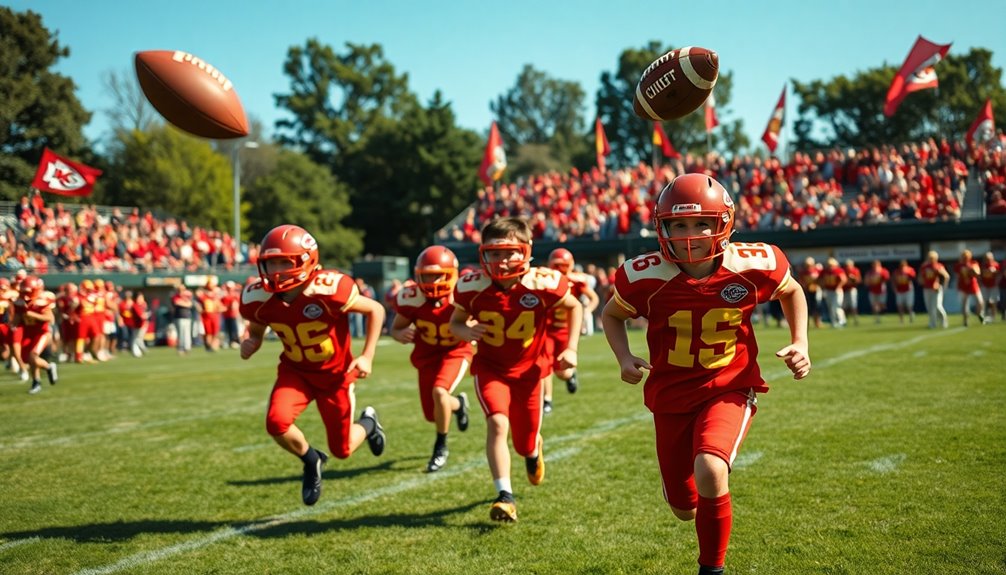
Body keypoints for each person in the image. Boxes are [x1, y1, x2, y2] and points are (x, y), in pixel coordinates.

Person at [599, 174, 811, 575]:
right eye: (678, 225)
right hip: (671, 393)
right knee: (683, 508)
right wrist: (623, 356)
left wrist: (800, 340)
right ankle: (684, 496)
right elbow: (611, 314)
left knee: (711, 468)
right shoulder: (644, 275)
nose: (690, 234)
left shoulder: (753, 263)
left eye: (701, 223)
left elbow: (791, 290)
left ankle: (711, 568)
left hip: (730, 384)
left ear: (724, 223)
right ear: (662, 227)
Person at [239, 224, 387, 506]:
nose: (277, 270)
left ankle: (368, 423)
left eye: (286, 262)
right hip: (296, 372)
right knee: (276, 422)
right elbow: (257, 328)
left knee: (342, 450)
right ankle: (311, 459)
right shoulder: (258, 298)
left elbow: (376, 310)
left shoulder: (329, 289)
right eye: (271, 263)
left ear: (307, 261)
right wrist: (253, 341)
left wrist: (367, 355)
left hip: (335, 376)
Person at [449, 216, 583, 523]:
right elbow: (455, 321)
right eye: (494, 253)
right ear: (484, 254)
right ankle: (505, 496)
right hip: (491, 367)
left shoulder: (542, 283)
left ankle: (533, 451)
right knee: (497, 424)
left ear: (525, 250)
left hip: (529, 372)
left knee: (525, 442)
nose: (501, 260)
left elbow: (573, 306)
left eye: (509, 252)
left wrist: (571, 348)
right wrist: (463, 330)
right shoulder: (472, 287)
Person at [390, 246, 472, 472]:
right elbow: (395, 328)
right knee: (431, 413)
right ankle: (459, 405)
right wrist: (400, 335)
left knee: (439, 392)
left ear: (452, 274)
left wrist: (472, 328)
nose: (432, 281)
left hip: (455, 351)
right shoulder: (412, 298)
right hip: (426, 356)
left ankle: (441, 446)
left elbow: (479, 319)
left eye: (438, 275)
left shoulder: (462, 295)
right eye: (427, 275)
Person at [542, 247, 599, 413]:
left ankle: (570, 374)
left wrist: (587, 311)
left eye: (563, 265)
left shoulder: (576, 281)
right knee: (544, 366)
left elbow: (593, 298)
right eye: (557, 265)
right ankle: (547, 400)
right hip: (546, 329)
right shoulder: (544, 279)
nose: (560, 269)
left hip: (566, 330)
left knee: (562, 373)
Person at [12, 276, 59, 394]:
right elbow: (17, 317)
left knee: (33, 356)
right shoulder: (20, 301)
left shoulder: (42, 300)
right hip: (28, 333)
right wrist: (13, 325)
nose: (26, 294)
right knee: (29, 359)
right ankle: (40, 377)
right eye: (24, 291)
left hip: (42, 333)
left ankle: (42, 376)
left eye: (28, 291)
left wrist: (33, 315)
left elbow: (50, 318)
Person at [918, 251, 950, 329]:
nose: (930, 259)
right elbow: (921, 277)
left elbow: (946, 276)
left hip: (936, 289)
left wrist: (942, 285)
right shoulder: (924, 266)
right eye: (929, 257)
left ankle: (943, 321)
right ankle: (933, 323)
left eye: (932, 258)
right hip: (927, 288)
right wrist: (921, 281)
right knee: (929, 307)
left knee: (937, 306)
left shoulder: (938, 266)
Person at [953, 249, 984, 327]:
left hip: (973, 285)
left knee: (980, 302)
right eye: (963, 256)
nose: (964, 258)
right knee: (964, 304)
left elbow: (978, 273)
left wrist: (972, 270)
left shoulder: (974, 263)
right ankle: (965, 320)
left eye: (966, 257)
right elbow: (957, 276)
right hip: (963, 286)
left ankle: (979, 313)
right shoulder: (958, 265)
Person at [820, 257, 847, 328]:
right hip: (828, 290)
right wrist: (823, 287)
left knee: (836, 306)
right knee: (830, 307)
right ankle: (833, 322)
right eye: (829, 265)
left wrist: (838, 287)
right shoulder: (825, 271)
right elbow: (820, 279)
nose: (830, 266)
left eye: (831, 265)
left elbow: (843, 279)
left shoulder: (838, 270)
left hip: (837, 291)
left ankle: (842, 320)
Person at [798, 256, 823, 328]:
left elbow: (821, 279)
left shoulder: (817, 270)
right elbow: (801, 281)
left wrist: (818, 285)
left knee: (817, 306)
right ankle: (809, 322)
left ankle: (818, 322)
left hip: (816, 290)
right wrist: (805, 286)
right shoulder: (803, 272)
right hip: (808, 291)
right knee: (809, 307)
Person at [891, 259, 917, 324]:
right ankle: (901, 320)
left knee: (909, 305)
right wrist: (894, 288)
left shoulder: (909, 270)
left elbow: (914, 277)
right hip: (900, 290)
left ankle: (911, 315)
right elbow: (893, 280)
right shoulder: (897, 272)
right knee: (900, 305)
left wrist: (907, 274)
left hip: (908, 290)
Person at [979, 252, 1001, 323]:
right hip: (985, 286)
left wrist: (995, 274)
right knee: (983, 301)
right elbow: (980, 275)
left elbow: (999, 274)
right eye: (986, 258)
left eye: (988, 258)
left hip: (993, 286)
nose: (987, 260)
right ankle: (983, 315)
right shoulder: (983, 265)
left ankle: (993, 317)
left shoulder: (996, 264)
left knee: (993, 301)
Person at [842, 259, 861, 326]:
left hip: (852, 290)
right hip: (844, 290)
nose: (847, 266)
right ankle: (844, 320)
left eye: (849, 265)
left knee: (853, 305)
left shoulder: (855, 270)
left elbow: (859, 281)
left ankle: (855, 319)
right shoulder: (843, 271)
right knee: (844, 307)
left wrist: (853, 278)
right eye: (846, 265)